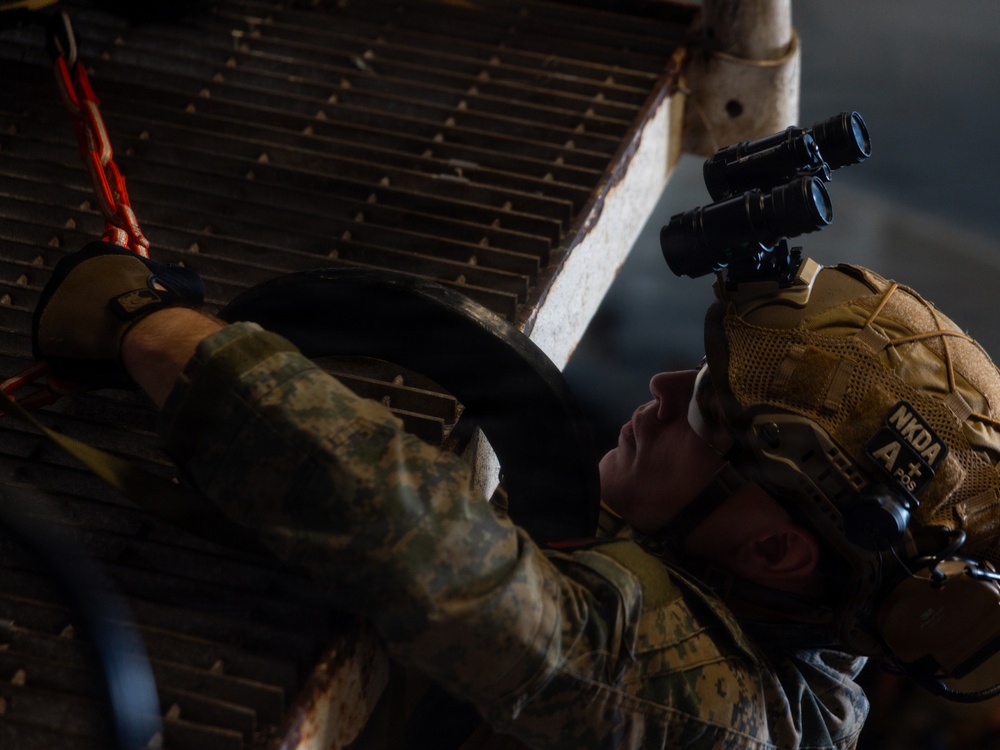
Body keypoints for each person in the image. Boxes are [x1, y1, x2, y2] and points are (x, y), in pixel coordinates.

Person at [31, 241, 1000, 749]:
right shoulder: (769, 610)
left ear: (777, 550)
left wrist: (143, 326)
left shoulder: (722, 721)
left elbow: (436, 556)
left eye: (706, 413)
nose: (660, 392)